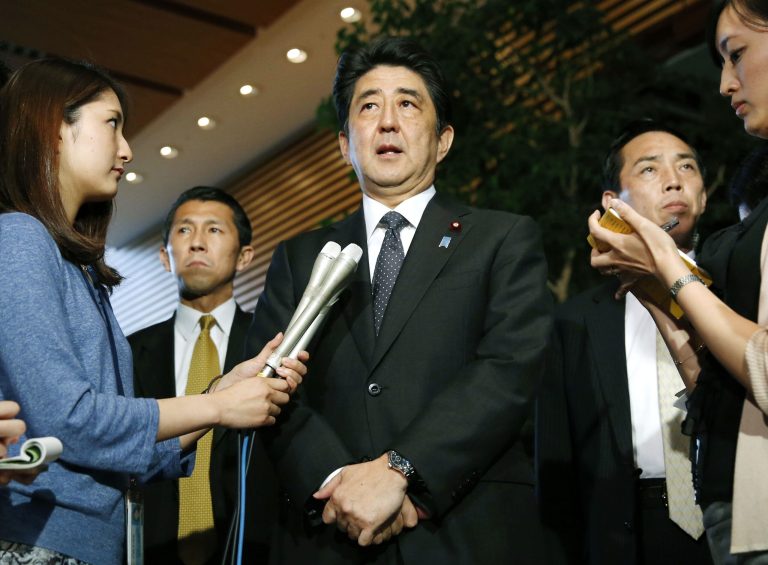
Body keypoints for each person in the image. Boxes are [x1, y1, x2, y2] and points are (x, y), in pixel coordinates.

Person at [245, 36, 552, 564]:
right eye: (369, 107)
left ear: (443, 140)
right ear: (345, 144)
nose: (387, 122)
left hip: (463, 530)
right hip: (328, 534)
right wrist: (339, 480)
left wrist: (402, 470)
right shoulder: (300, 257)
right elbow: (265, 384)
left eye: (408, 104)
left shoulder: (501, 238)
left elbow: (510, 368)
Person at [0, 58, 306, 565]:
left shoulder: (78, 268)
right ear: (55, 127)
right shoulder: (20, 237)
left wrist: (219, 393)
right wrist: (218, 408)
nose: (126, 149)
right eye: (112, 124)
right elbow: (70, 421)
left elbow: (120, 450)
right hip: (40, 543)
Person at [589, 2, 768, 561]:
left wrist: (668, 268)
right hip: (729, 504)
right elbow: (715, 390)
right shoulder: (580, 320)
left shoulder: (713, 257)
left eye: (736, 54)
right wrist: (655, 291)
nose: (724, 83)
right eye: (649, 169)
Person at [537, 120, 714, 564]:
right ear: (612, 202)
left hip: (737, 517)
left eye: (687, 167)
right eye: (650, 169)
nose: (673, 180)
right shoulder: (573, 323)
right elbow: (557, 469)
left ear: (704, 196)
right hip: (626, 534)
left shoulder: (742, 293)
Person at [130, 185, 278, 565]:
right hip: (152, 551)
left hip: (258, 548)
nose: (197, 242)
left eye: (213, 229)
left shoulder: (274, 346)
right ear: (165, 257)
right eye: (184, 230)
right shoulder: (128, 352)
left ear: (244, 256)